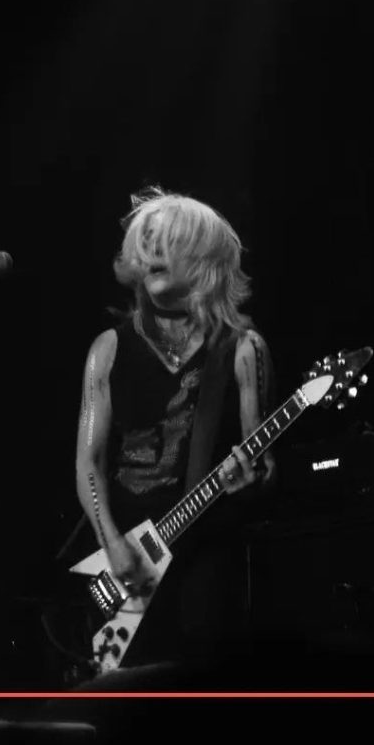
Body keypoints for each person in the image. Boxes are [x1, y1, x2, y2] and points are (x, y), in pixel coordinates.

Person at [74, 188, 275, 675]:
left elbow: (266, 464)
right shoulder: (108, 350)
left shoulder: (243, 349)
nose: (153, 254)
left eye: (168, 243)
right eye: (146, 244)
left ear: (204, 259)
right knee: (123, 695)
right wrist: (112, 542)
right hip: (126, 560)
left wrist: (253, 479)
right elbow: (89, 462)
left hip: (206, 557)